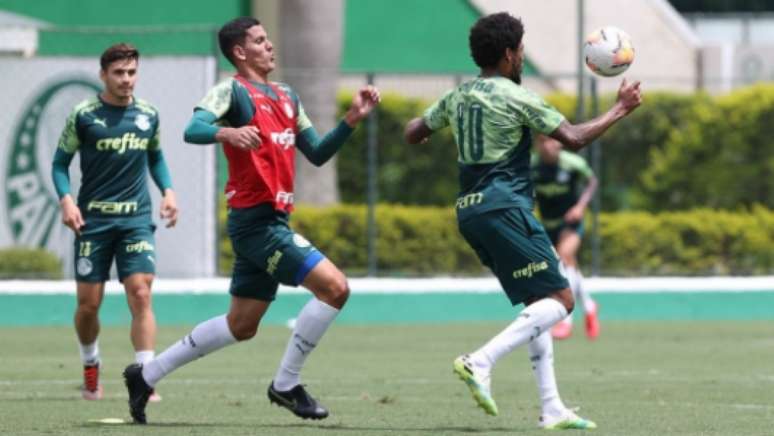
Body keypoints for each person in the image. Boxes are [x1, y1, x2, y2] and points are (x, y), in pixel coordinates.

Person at [122, 16, 380, 424]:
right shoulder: (232, 90)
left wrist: (351, 119)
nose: (270, 45)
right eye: (260, 41)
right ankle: (286, 384)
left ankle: (146, 374)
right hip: (256, 225)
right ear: (240, 52)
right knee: (335, 288)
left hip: (271, 222)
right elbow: (193, 128)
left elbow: (315, 152)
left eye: (267, 39)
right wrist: (228, 133)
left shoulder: (288, 96)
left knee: (241, 325)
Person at [404, 12, 641, 430]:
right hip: (505, 208)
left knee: (538, 300)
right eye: (522, 51)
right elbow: (574, 138)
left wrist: (423, 131)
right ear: (510, 54)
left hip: (470, 212)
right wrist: (619, 109)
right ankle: (481, 361)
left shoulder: (456, 97)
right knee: (561, 300)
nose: (523, 58)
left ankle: (551, 408)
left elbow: (412, 131)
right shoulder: (519, 97)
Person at [51, 43, 178, 401]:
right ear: (103, 75)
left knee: (140, 292)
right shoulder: (84, 114)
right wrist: (66, 200)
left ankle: (145, 376)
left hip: (135, 220)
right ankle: (91, 365)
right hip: (93, 222)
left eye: (132, 72)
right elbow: (60, 163)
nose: (126, 80)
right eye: (119, 73)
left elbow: (156, 158)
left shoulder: (148, 114)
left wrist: (168, 191)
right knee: (88, 305)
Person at [532, 135, 600, 340]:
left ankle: (565, 319)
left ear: (559, 142)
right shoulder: (531, 165)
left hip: (570, 223)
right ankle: (589, 305)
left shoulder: (572, 163)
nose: (547, 146)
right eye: (542, 142)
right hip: (547, 225)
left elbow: (592, 181)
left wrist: (580, 207)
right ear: (536, 144)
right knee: (569, 266)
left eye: (551, 141)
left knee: (563, 257)